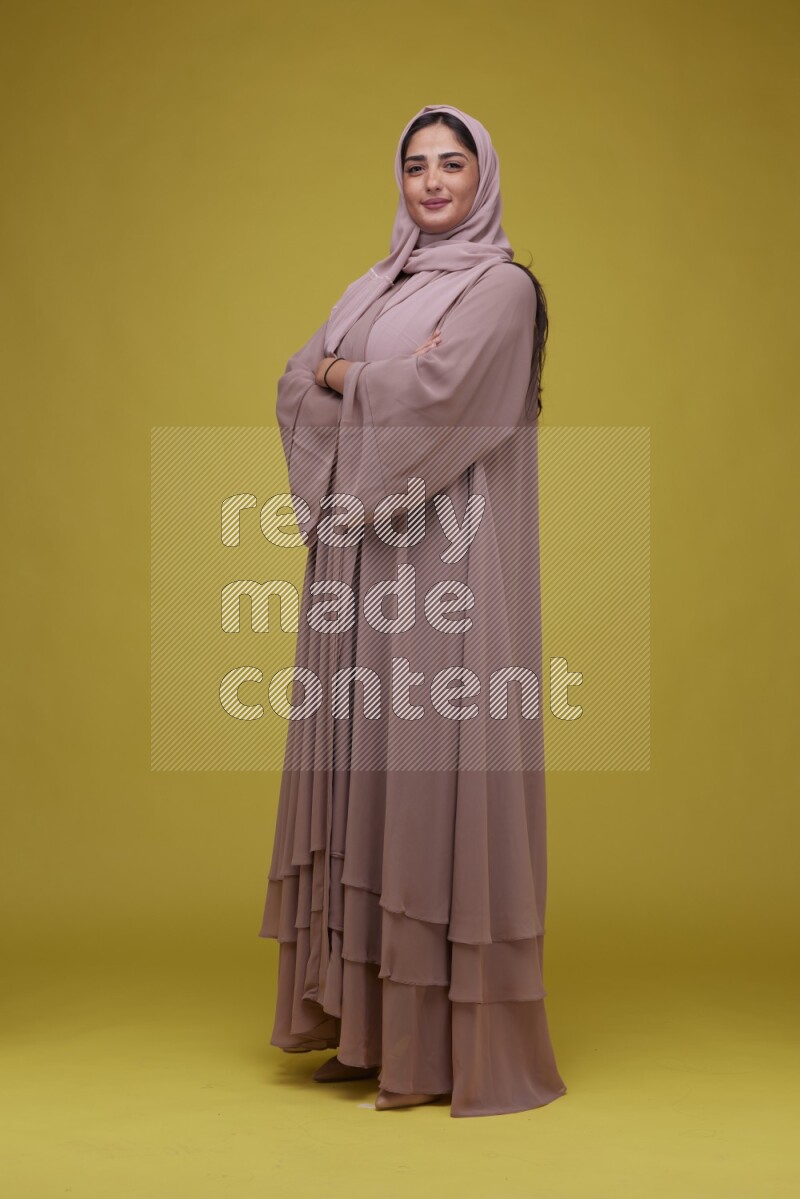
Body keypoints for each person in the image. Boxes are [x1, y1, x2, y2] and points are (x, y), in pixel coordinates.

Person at [258, 102, 568, 1117]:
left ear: (483, 176)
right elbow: (296, 382)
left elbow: (440, 399)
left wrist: (359, 377)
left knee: (434, 774)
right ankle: (370, 1031)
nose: (431, 182)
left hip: (447, 568)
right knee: (370, 771)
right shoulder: (373, 285)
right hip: (359, 561)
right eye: (414, 165)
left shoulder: (501, 288)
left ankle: (440, 1052)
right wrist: (359, 374)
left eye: (452, 163)